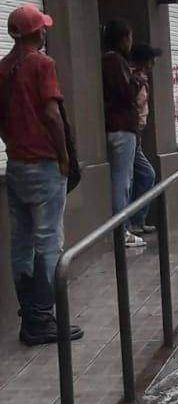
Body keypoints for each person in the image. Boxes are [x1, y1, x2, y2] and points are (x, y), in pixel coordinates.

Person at [0, 4, 83, 345]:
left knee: (21, 241)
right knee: (49, 241)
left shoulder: (2, 69)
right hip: (44, 165)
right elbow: (51, 114)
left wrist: (12, 143)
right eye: (43, 27)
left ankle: (29, 315)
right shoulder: (42, 64)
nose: (46, 30)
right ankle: (42, 319)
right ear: (35, 32)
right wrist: (63, 157)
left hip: (16, 164)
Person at [102, 19, 146, 247]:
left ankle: (123, 228)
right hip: (121, 129)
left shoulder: (113, 61)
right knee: (123, 181)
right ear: (121, 39)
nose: (131, 42)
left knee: (124, 179)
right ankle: (122, 230)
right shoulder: (114, 61)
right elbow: (125, 93)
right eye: (129, 37)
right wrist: (137, 82)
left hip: (118, 128)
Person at [128, 43, 161, 235]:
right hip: (130, 133)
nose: (154, 63)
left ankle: (136, 221)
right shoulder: (134, 80)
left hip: (135, 134)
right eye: (152, 59)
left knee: (140, 176)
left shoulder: (141, 79)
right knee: (146, 174)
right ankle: (133, 222)